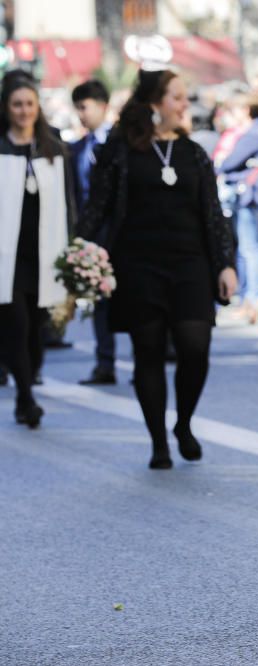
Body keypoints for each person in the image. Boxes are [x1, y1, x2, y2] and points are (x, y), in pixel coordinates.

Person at [78, 69, 237, 469]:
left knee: (195, 350)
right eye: (178, 98)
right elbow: (97, 206)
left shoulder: (194, 153)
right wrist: (78, 252)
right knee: (147, 352)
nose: (186, 105)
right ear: (154, 104)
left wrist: (226, 265)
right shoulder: (121, 151)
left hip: (191, 265)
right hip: (138, 266)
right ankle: (158, 442)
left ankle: (182, 423)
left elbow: (214, 215)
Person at [0, 71, 76, 428]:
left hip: (44, 251)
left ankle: (28, 382)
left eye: (29, 104)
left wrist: (74, 248)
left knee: (36, 327)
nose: (23, 110)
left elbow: (69, 200)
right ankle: (25, 396)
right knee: (15, 322)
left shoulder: (54, 146)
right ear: (6, 107)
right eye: (17, 104)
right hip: (7, 255)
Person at [69, 79, 117, 386]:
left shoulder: (121, 142)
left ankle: (148, 357)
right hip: (91, 233)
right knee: (99, 296)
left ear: (102, 106)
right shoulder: (77, 148)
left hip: (121, 231)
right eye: (77, 109)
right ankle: (105, 362)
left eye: (84, 107)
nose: (81, 115)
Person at [217, 93, 258, 324]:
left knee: (250, 247)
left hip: (249, 195)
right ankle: (250, 297)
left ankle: (254, 297)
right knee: (248, 247)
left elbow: (231, 161)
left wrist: (223, 165)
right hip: (248, 194)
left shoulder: (254, 132)